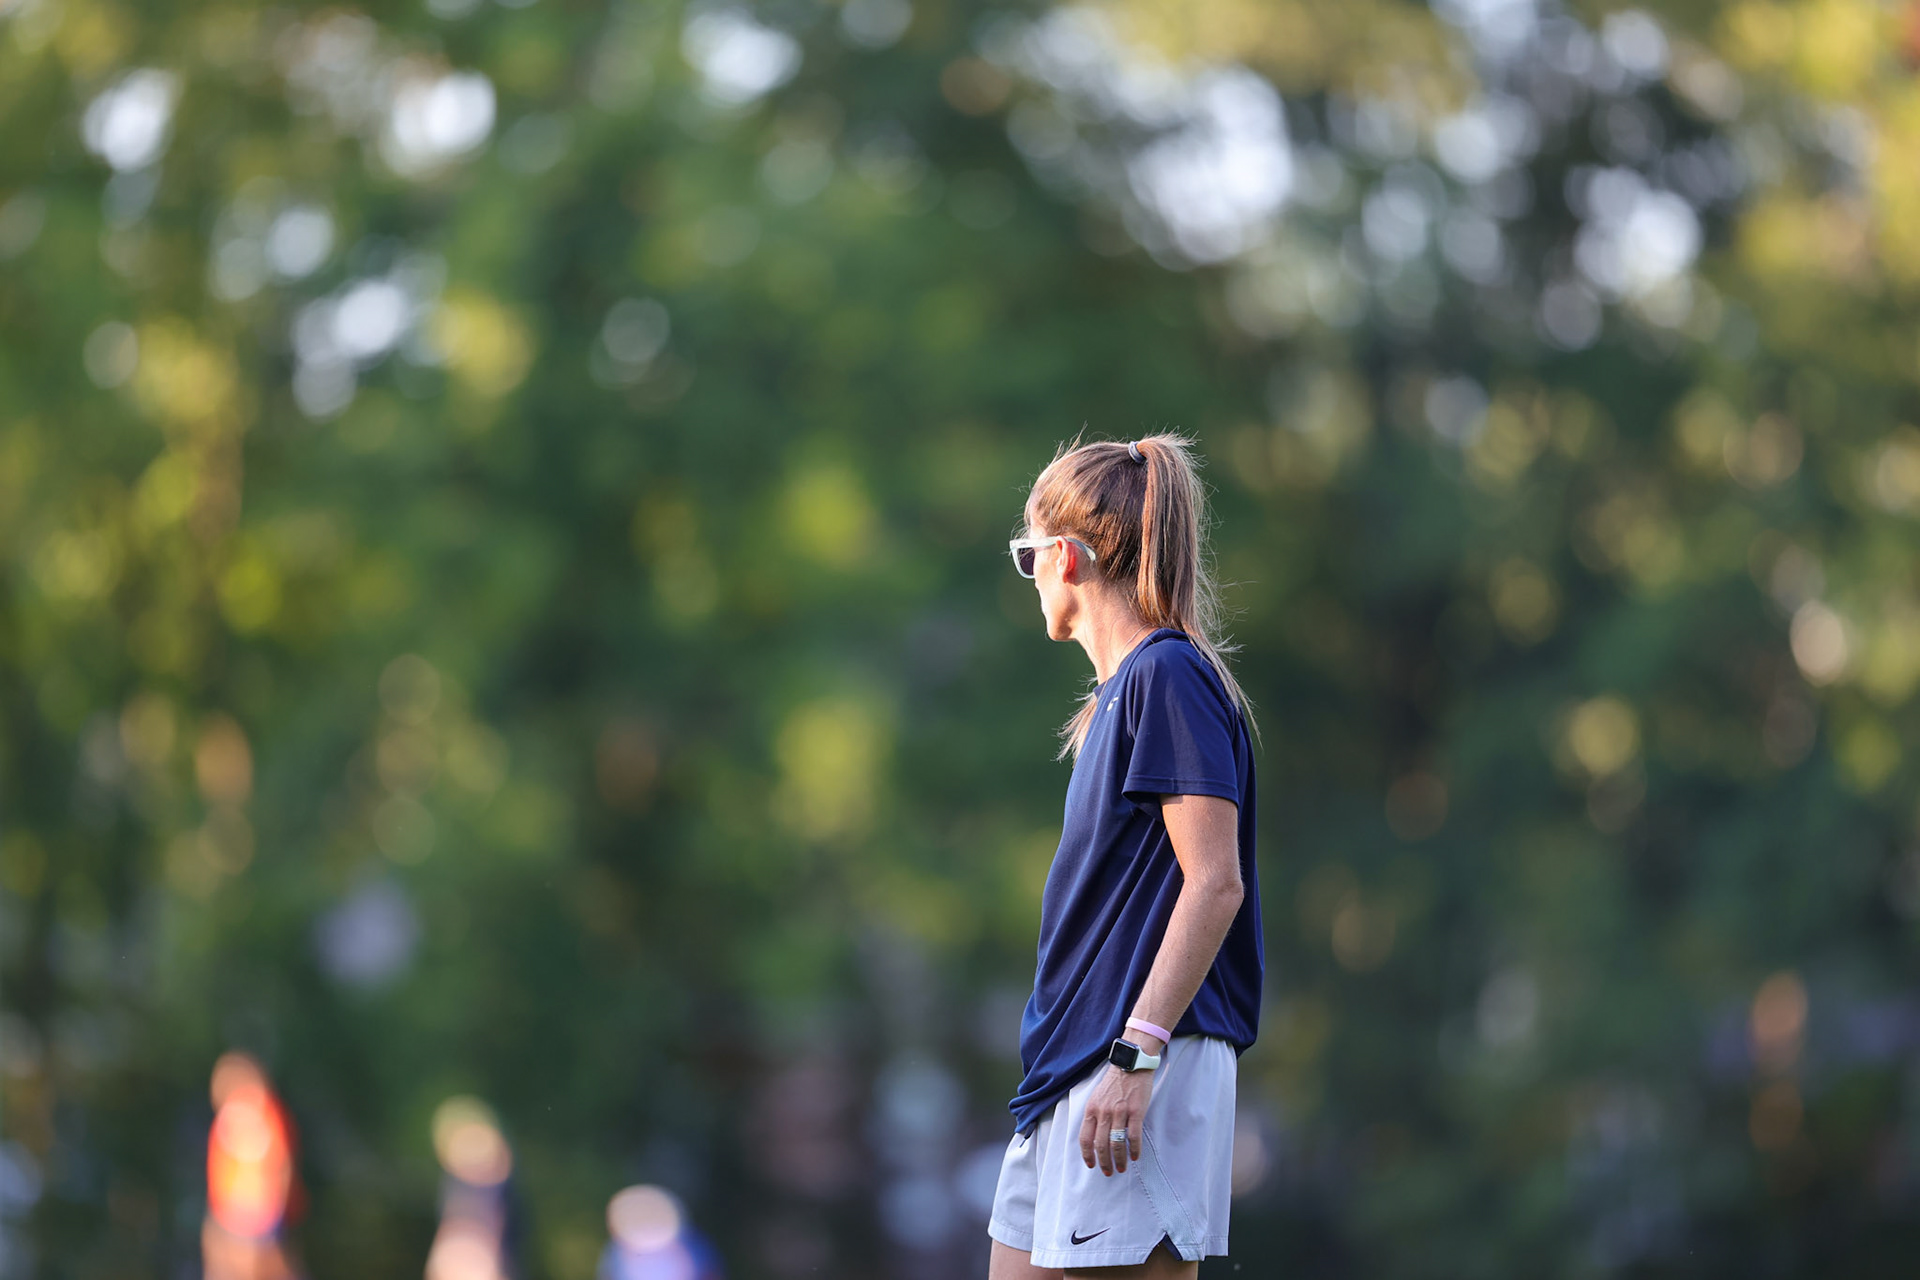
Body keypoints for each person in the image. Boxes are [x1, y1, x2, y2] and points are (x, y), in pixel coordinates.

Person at [989, 435, 1261, 1278]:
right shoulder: (1119, 695)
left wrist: (1136, 1055)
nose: (1027, 570)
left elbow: (1215, 884)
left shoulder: (1167, 677)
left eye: (1026, 553)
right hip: (1071, 1074)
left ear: (1064, 558)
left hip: (1136, 1064)